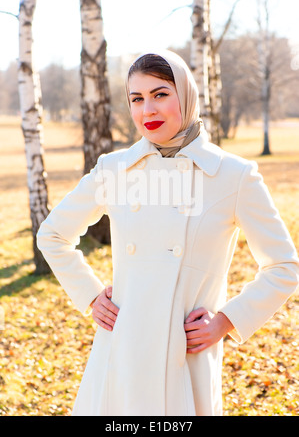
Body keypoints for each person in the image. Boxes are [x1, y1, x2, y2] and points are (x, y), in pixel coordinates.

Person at [37, 50, 299, 416]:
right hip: (120, 357)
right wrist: (92, 296)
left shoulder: (233, 176)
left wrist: (225, 321)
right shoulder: (114, 168)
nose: (148, 111)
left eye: (160, 94)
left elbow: (284, 266)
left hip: (186, 359)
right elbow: (52, 235)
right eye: (137, 99)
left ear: (187, 96)